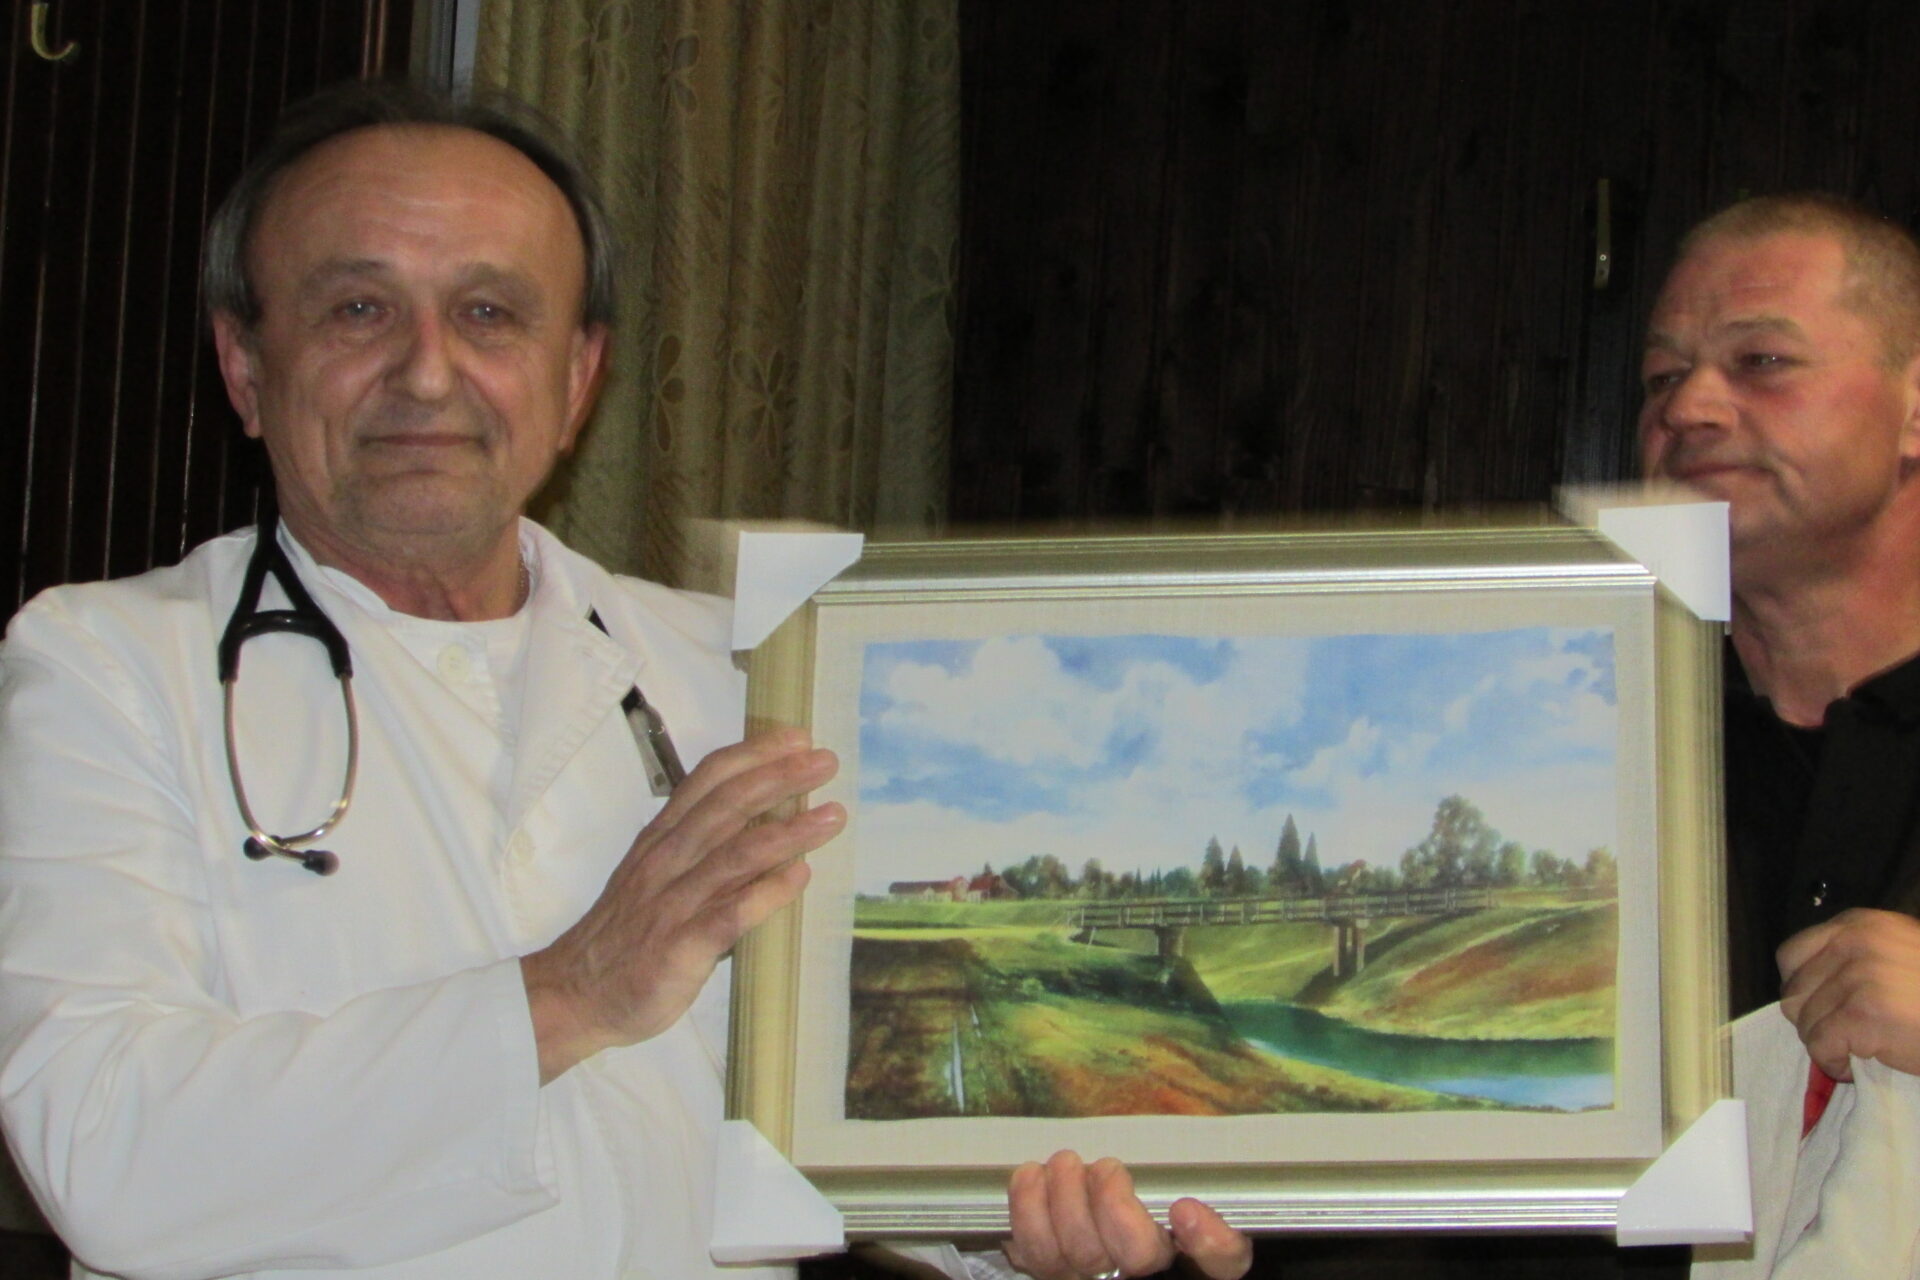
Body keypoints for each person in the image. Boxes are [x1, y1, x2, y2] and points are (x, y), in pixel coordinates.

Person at [0, 81, 847, 1279]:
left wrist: (1019, 1230)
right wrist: (574, 990)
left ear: (578, 379)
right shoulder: (106, 667)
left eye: (490, 313)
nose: (429, 373)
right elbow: (106, 1151)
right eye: (358, 309)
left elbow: (861, 1119)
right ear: (245, 366)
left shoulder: (751, 669)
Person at [1000, 192, 1920, 1279]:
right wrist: (1203, 1241)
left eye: (1761, 360)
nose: (1690, 407)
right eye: (1660, 377)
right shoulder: (1566, 748)